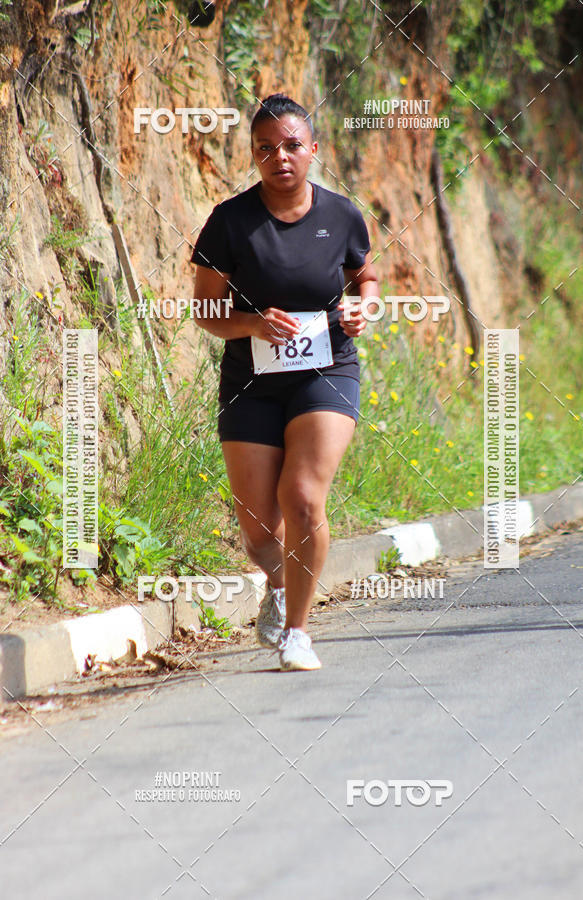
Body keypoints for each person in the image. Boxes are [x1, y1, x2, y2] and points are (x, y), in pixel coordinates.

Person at [191, 93, 378, 671]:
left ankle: (298, 632)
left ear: (313, 149)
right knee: (257, 533)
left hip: (326, 371)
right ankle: (279, 582)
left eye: (292, 145)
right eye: (266, 148)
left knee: (301, 498)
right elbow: (205, 310)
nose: (280, 157)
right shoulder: (230, 221)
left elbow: (366, 278)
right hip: (252, 382)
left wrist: (363, 307)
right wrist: (252, 323)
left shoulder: (341, 215)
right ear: (254, 155)